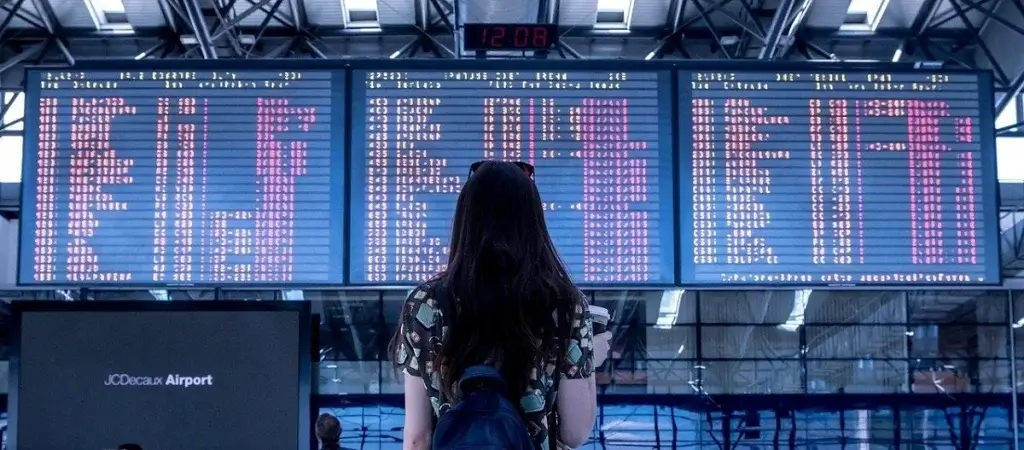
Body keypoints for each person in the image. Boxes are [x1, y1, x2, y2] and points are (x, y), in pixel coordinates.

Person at [390, 160, 613, 450]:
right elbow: (574, 433)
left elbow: (418, 438)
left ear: (465, 219)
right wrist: (588, 361)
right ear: (532, 221)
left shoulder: (425, 303)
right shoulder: (565, 303)